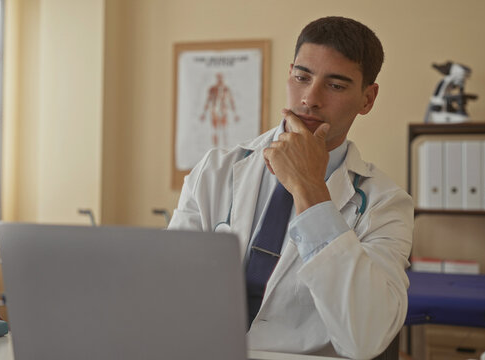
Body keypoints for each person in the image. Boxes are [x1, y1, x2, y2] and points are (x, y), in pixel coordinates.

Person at [168, 16, 413, 359]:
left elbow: (365, 339)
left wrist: (310, 189)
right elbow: (170, 292)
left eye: (336, 86)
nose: (310, 99)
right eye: (302, 77)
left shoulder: (384, 204)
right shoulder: (215, 170)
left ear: (367, 99)